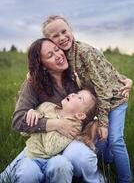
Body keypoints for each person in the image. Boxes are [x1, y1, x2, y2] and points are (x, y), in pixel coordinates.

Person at [42, 15, 133, 183]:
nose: (62, 37)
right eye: (55, 36)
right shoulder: (65, 56)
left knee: (115, 139)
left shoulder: (83, 51)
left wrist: (103, 121)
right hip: (99, 101)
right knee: (100, 137)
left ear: (70, 30)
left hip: (115, 99)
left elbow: (104, 87)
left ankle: (125, 179)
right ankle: (107, 163)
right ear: (49, 41)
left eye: (64, 31)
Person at [0, 38, 104, 183]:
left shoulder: (75, 76)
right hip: (43, 143)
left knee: (80, 158)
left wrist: (124, 81)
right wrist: (56, 124)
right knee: (14, 176)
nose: (58, 55)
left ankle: (99, 171)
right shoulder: (33, 83)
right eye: (50, 55)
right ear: (42, 65)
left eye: (57, 49)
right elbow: (18, 121)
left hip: (72, 139)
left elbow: (99, 94)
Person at [26, 89, 98, 158]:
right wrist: (31, 113)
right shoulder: (47, 106)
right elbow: (24, 132)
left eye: (80, 98)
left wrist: (46, 120)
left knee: (61, 164)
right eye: (76, 93)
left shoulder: (73, 127)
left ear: (80, 115)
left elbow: (50, 149)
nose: (73, 94)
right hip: (30, 155)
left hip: (49, 160)